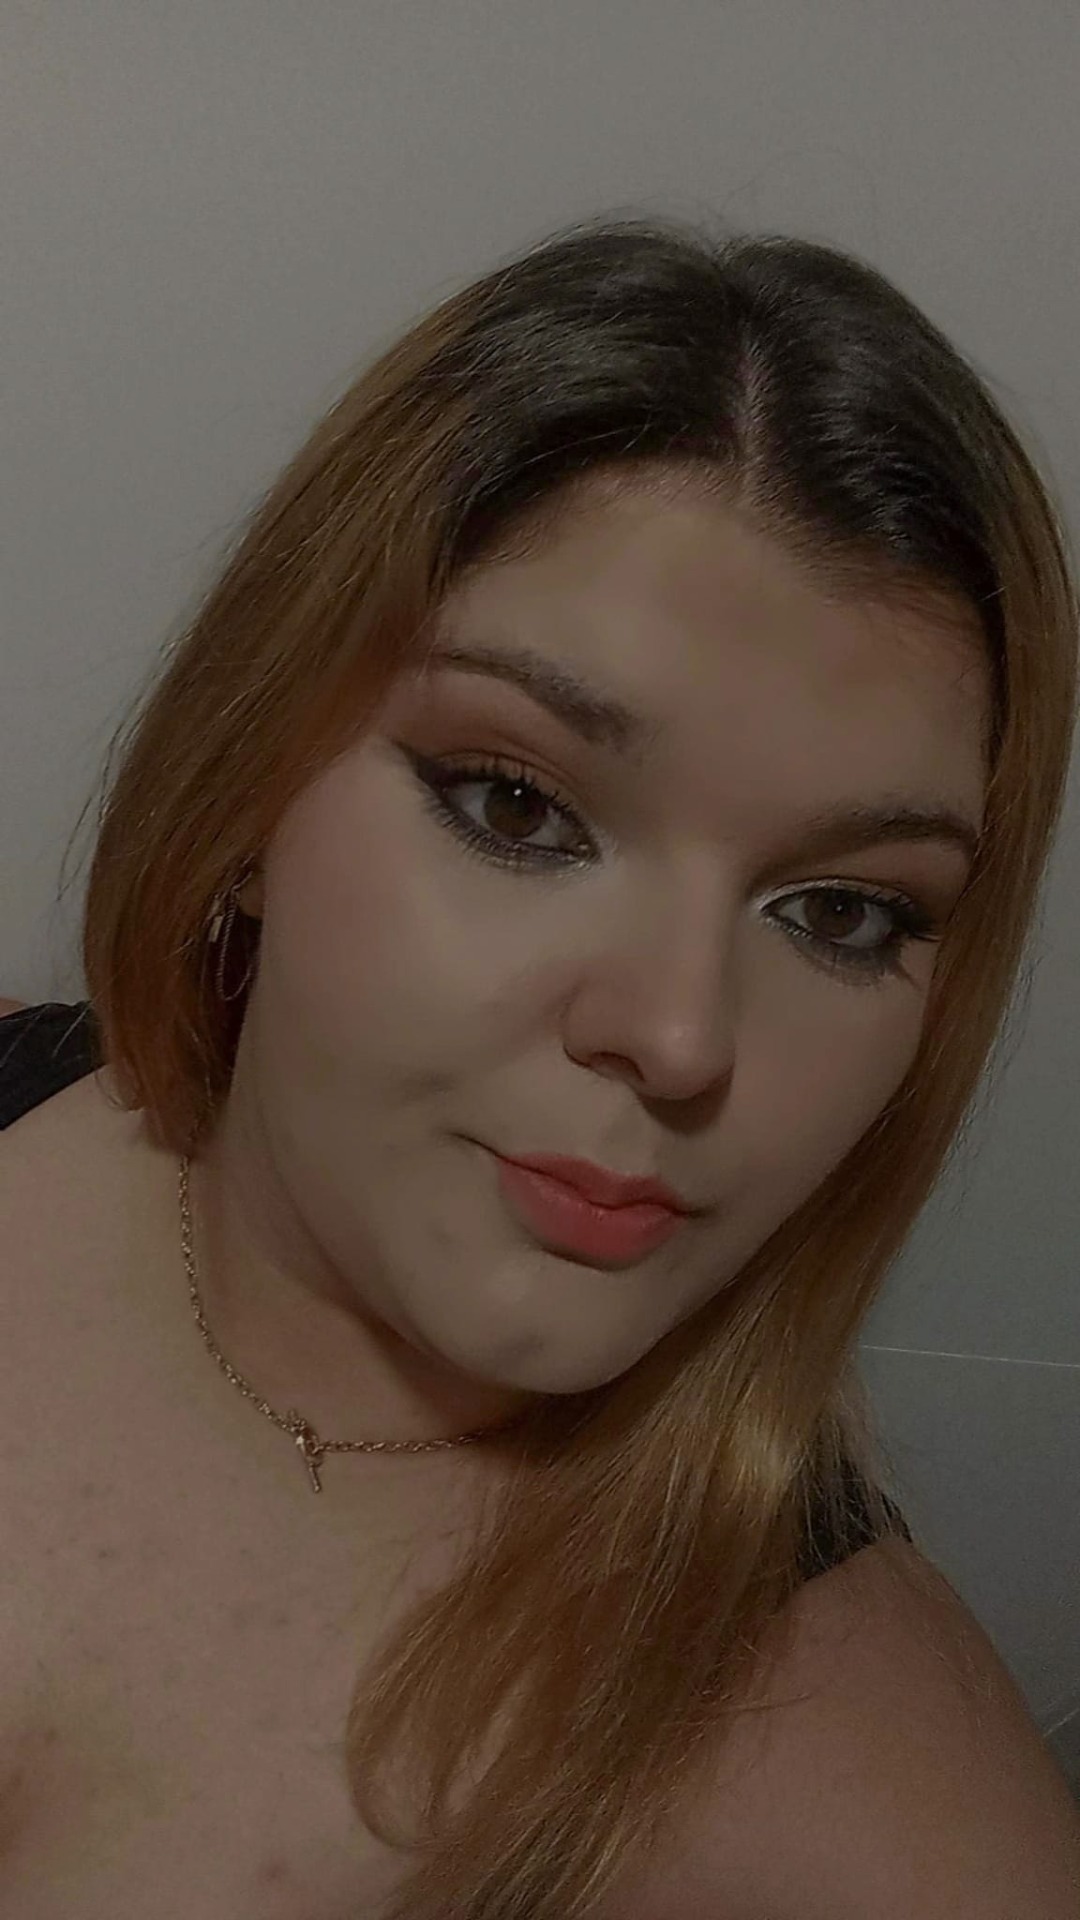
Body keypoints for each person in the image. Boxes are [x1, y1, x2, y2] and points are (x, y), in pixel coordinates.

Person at [1, 214, 1077, 1919]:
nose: (679, 1036)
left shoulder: (886, 1833)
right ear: (251, 781)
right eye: (519, 807)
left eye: (842, 913)